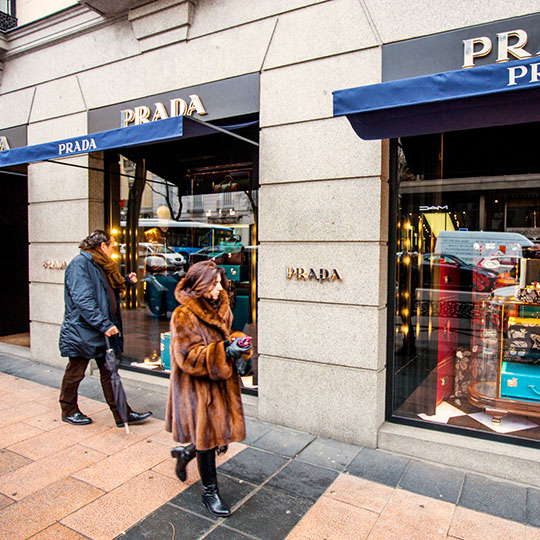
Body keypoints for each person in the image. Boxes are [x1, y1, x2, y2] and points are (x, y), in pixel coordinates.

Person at [165, 260, 252, 517]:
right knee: (206, 436)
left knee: (213, 435)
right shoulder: (183, 314)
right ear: (199, 285)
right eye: (213, 284)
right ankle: (209, 492)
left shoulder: (221, 305)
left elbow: (224, 336)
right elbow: (187, 357)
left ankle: (184, 453)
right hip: (196, 386)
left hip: (220, 382)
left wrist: (236, 343)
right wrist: (225, 351)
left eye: (219, 283)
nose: (219, 288)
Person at [58, 230, 152, 428]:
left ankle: (122, 415)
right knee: (76, 372)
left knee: (110, 373)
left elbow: (103, 292)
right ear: (102, 246)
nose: (113, 249)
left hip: (99, 329)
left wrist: (125, 281)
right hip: (83, 330)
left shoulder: (99, 264)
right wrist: (104, 324)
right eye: (112, 245)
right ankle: (68, 410)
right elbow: (83, 300)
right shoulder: (80, 264)